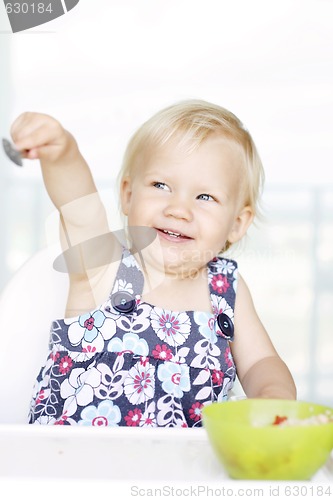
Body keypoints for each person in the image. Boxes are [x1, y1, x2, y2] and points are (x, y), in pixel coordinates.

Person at [10, 100, 296, 427]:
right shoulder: (102, 264)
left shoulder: (226, 289)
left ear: (237, 223)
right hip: (75, 465)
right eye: (161, 185)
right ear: (128, 195)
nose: (179, 209)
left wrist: (273, 397)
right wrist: (63, 153)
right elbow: (80, 209)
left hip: (185, 473)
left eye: (205, 197)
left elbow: (261, 360)